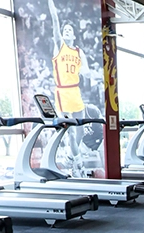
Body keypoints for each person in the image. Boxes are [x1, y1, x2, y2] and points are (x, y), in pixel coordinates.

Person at [48, 0, 91, 177]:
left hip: (75, 92)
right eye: (64, 30)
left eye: (69, 30)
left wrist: (87, 73)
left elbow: (87, 71)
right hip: (62, 92)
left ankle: (72, 154)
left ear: (73, 35)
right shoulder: (59, 45)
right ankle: (77, 160)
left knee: (79, 130)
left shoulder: (79, 51)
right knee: (70, 132)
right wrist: (51, 4)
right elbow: (55, 22)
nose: (66, 32)